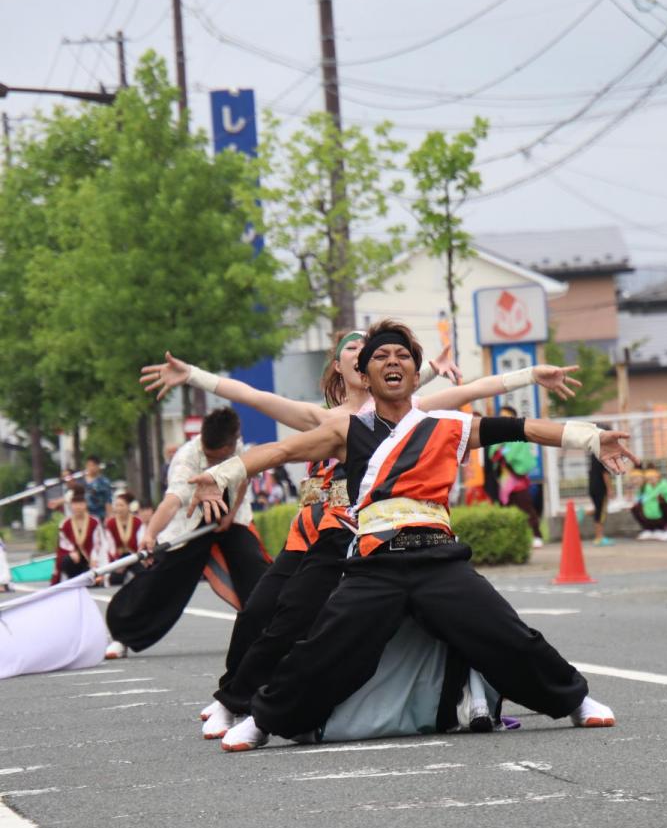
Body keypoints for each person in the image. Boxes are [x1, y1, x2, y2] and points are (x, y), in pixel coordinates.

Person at [189, 320, 633, 751]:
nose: (393, 361)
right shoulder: (347, 428)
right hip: (374, 566)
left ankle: (574, 699)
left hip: (438, 560)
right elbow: (282, 450)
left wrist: (590, 438)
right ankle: (263, 720)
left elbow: (519, 430)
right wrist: (221, 474)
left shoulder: (445, 424)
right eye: (380, 356)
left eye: (403, 355)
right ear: (364, 375)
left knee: (507, 633)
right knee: (320, 648)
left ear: (416, 374)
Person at [103, 408, 268, 659]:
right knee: (167, 577)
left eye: (219, 459)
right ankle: (123, 635)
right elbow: (171, 502)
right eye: (210, 460)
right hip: (193, 521)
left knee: (254, 565)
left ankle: (273, 631)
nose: (213, 465)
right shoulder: (186, 459)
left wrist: (230, 515)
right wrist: (150, 533)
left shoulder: (239, 448)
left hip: (230, 517)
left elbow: (243, 481)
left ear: (232, 442)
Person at [489, 404, 544, 547]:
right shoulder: (497, 436)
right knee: (507, 510)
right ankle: (512, 539)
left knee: (526, 508)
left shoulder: (520, 435)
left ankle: (536, 535)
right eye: (500, 416)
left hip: (517, 479)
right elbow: (493, 454)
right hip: (504, 481)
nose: (502, 418)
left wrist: (507, 458)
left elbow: (522, 456)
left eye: (505, 416)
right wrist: (499, 455)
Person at [51, 487, 105, 583]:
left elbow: (97, 544)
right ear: (71, 505)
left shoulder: (94, 522)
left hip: (90, 560)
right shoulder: (65, 524)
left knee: (91, 580)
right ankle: (73, 579)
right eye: (75, 504)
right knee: (67, 560)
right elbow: (63, 545)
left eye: (81, 504)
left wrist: (94, 559)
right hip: (75, 559)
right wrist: (72, 552)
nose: (78, 507)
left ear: (85, 505)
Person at [103, 492, 145, 584]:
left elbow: (140, 541)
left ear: (128, 506)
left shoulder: (137, 521)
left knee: (143, 575)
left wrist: (139, 557)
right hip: (118, 556)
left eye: (122, 505)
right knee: (115, 578)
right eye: (117, 505)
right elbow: (110, 545)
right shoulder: (111, 523)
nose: (119, 508)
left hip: (134, 555)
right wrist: (116, 561)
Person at [588, 428, 614, 546]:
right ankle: (599, 537)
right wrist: (609, 489)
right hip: (600, 488)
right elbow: (605, 473)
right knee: (601, 512)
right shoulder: (604, 453)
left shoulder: (594, 452)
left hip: (592, 486)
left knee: (597, 510)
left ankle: (585, 513)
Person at [84, 456, 114, 520]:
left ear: (98, 466)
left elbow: (108, 501)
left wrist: (109, 517)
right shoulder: (81, 481)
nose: (91, 468)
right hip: (84, 516)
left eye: (93, 465)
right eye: (89, 465)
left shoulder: (104, 482)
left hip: (100, 515)